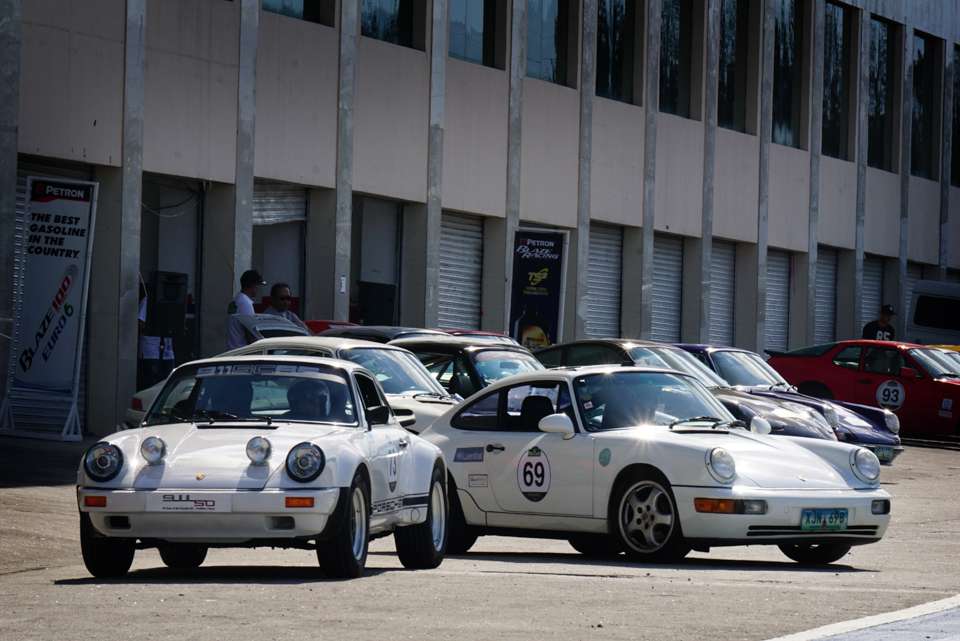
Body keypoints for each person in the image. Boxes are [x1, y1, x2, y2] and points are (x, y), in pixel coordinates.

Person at [137, 276, 175, 389]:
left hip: (167, 350)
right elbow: (140, 322)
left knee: (168, 381)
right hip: (150, 349)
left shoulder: (172, 302)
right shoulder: (149, 300)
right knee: (150, 382)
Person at [227, 269, 265, 349]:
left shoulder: (237, 300)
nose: (258, 288)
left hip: (233, 349)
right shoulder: (245, 303)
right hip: (242, 352)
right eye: (258, 285)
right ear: (252, 285)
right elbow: (250, 332)